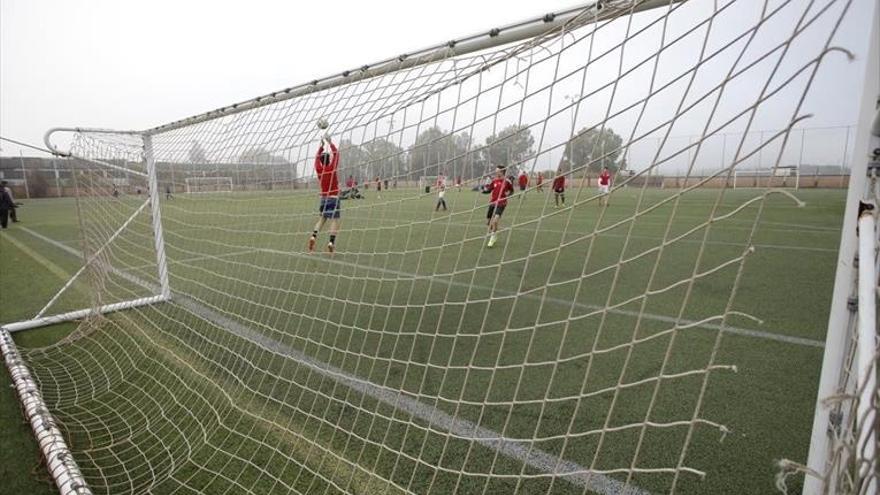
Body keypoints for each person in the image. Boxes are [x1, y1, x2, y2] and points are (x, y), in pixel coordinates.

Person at [308, 136, 340, 253]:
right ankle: (331, 242)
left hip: (323, 198)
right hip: (334, 197)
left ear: (321, 161)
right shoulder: (331, 167)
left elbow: (316, 159)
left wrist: (321, 147)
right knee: (334, 220)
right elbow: (336, 154)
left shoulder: (319, 169)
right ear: (329, 159)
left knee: (321, 219)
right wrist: (330, 142)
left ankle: (313, 236)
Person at [482, 165, 514, 248]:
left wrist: (508, 195)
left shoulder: (507, 181)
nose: (496, 172)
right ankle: (494, 230)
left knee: (495, 221)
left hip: (501, 203)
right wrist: (483, 190)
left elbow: (511, 191)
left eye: (497, 171)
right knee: (489, 223)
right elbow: (489, 190)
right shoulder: (494, 180)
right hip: (492, 203)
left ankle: (492, 238)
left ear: (502, 171)